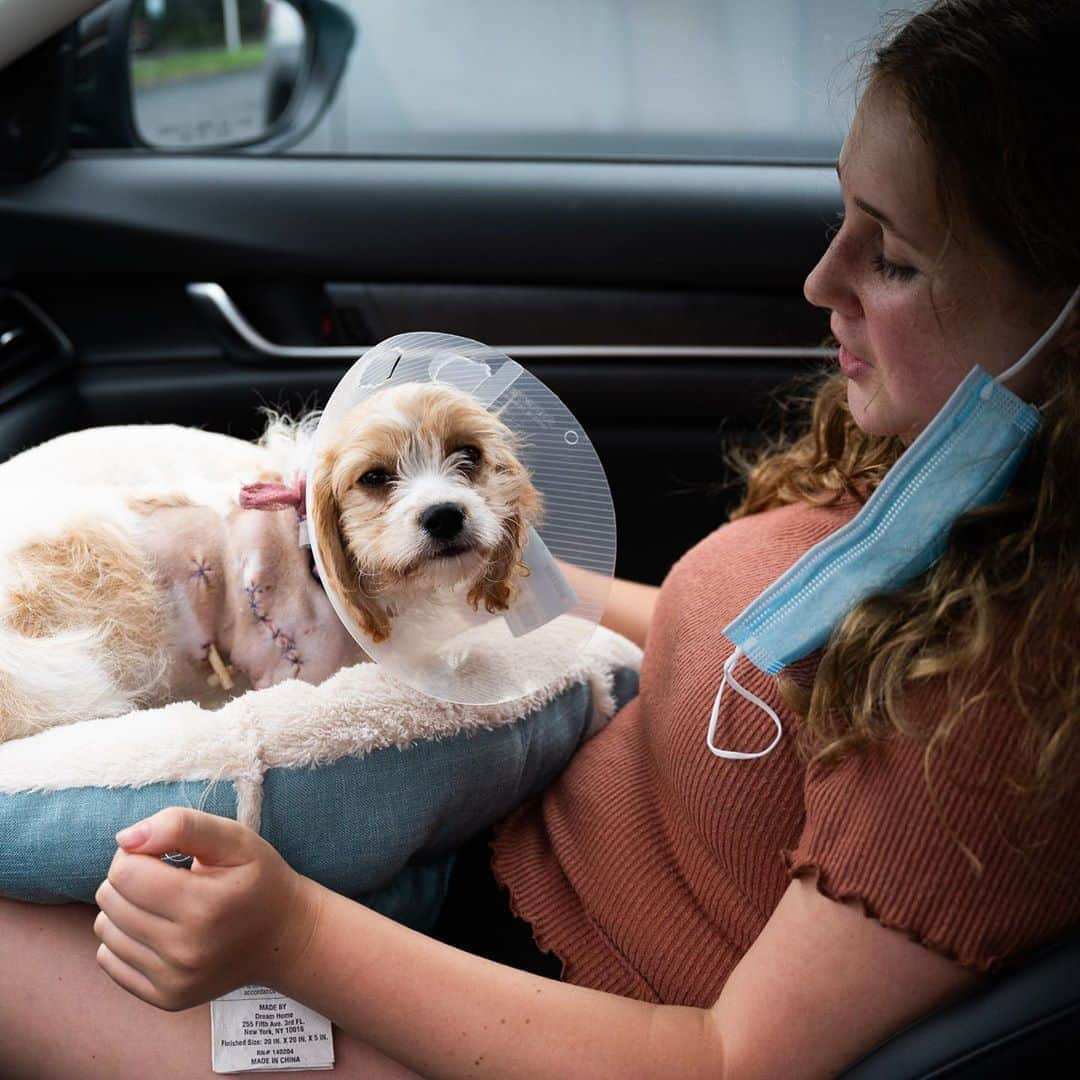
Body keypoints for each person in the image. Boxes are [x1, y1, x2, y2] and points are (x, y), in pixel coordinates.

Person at [2, 0, 1077, 1076]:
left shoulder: (1004, 719)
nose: (820, 282)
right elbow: (748, 651)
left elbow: (728, 1060)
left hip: (505, 1014)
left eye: (891, 258)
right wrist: (474, 580)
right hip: (462, 848)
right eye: (841, 216)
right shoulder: (927, 484)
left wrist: (295, 935)